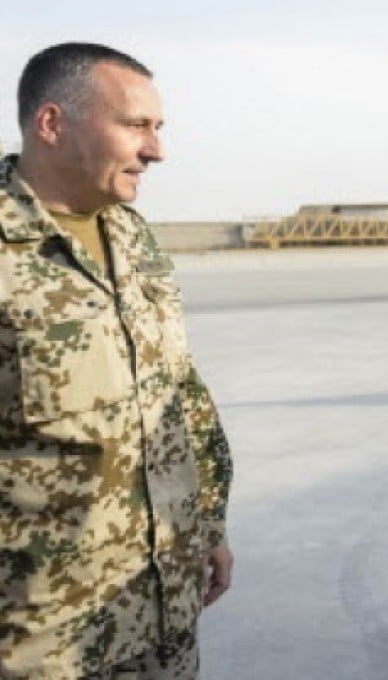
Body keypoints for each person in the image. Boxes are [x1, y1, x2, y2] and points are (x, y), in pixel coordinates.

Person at [0, 43, 233, 678]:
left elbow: (181, 392)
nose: (156, 150)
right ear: (52, 124)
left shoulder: (131, 235)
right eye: (136, 126)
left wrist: (208, 522)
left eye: (158, 129)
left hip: (161, 611)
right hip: (46, 641)